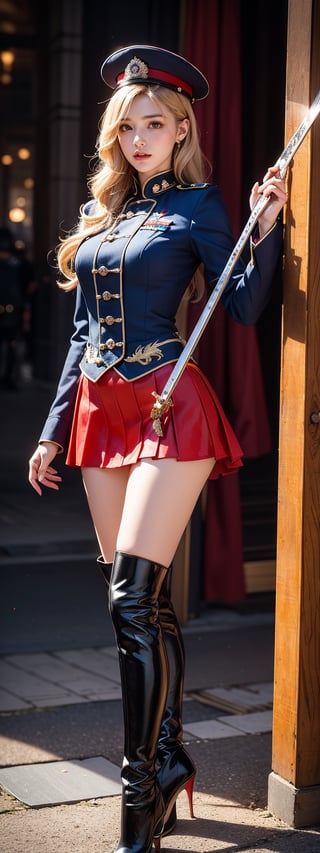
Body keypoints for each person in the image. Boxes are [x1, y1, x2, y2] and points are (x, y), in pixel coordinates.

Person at [28, 44, 287, 853]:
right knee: (147, 602)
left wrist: (265, 227)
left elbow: (241, 310)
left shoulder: (206, 206)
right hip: (102, 412)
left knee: (130, 600)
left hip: (168, 406)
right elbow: (82, 333)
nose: (140, 138)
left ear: (182, 131)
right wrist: (50, 428)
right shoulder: (106, 214)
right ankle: (171, 756)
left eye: (156, 124)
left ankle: (140, 796)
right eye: (128, 126)